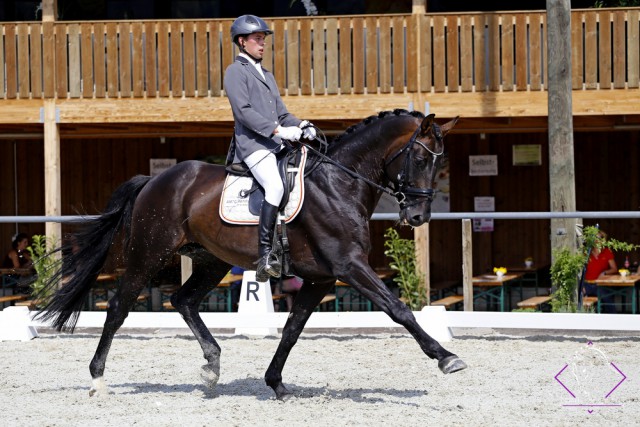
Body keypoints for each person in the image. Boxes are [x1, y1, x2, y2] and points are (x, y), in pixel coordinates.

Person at [224, 14, 316, 282]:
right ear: (242, 42)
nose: (262, 44)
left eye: (263, 39)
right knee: (275, 186)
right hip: (253, 145)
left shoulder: (266, 75)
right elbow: (244, 112)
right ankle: (265, 254)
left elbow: (282, 114)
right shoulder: (235, 72)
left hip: (274, 145)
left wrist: (303, 124)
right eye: (257, 39)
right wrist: (278, 130)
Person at [582, 230, 617, 313]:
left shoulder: (607, 252)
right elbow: (580, 271)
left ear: (603, 240)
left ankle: (615, 321)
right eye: (594, 238)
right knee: (578, 299)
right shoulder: (586, 252)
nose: (596, 240)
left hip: (600, 284)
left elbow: (614, 268)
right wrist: (581, 285)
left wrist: (604, 273)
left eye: (598, 238)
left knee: (608, 300)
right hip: (586, 284)